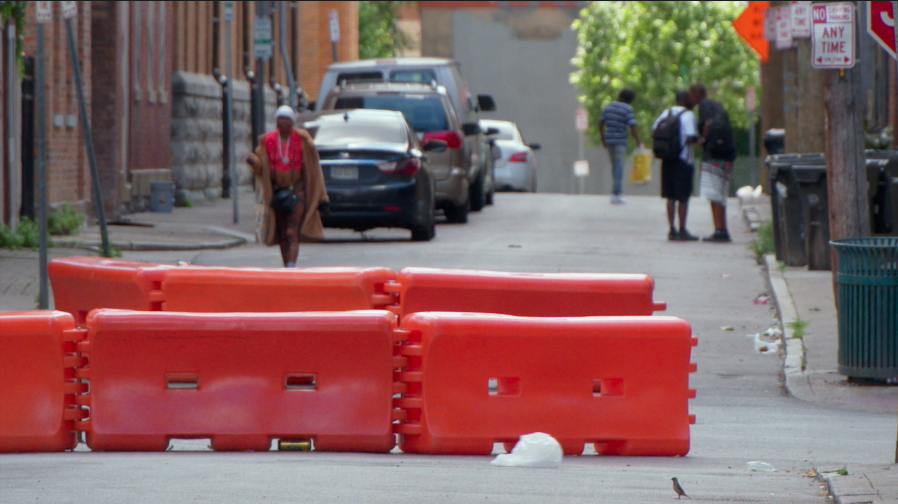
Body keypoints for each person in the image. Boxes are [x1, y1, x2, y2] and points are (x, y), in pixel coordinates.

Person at [246, 105, 329, 267]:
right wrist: (254, 162)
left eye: (286, 119)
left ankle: (291, 265)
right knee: (283, 233)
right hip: (277, 194)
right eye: (280, 119)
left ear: (292, 122)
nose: (282, 122)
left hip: (297, 192)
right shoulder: (269, 140)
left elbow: (315, 171)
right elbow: (261, 169)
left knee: (292, 232)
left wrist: (323, 197)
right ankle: (287, 268)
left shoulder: (302, 141)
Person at [690, 83, 736, 242]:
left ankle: (719, 229)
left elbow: (708, 123)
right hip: (727, 154)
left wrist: (702, 139)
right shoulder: (717, 105)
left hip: (713, 155)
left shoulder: (703, 106)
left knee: (713, 195)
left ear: (695, 95)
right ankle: (723, 229)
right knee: (722, 194)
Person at [651, 90, 698, 241]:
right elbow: (690, 136)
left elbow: (654, 130)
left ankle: (672, 229)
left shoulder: (667, 112)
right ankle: (683, 228)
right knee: (683, 197)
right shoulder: (688, 115)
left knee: (670, 196)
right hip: (683, 159)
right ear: (686, 100)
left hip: (667, 159)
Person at [600, 89, 643, 204]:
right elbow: (632, 126)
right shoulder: (627, 109)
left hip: (609, 140)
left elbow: (601, 123)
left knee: (614, 166)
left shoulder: (608, 107)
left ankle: (616, 190)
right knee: (619, 166)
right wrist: (638, 141)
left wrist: (603, 138)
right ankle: (616, 193)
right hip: (620, 140)